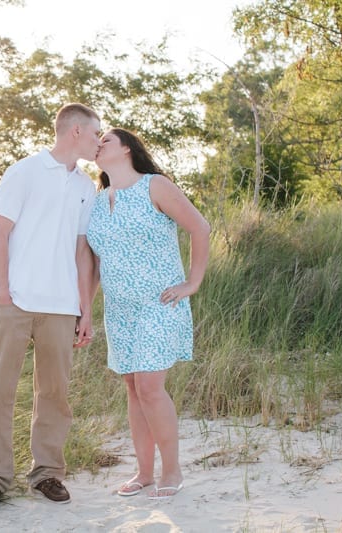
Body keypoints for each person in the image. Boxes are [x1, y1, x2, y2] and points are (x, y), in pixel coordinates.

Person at [0, 103, 101, 514]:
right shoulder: (24, 171)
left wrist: (86, 310)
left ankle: (47, 473)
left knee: (55, 394)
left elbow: (83, 252)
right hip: (16, 303)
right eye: (97, 133)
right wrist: (3, 293)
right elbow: (0, 233)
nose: (100, 141)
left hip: (62, 307)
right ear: (76, 131)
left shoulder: (86, 187)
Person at [86, 127, 210, 500]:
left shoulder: (155, 186)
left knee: (150, 388)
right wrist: (86, 311)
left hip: (159, 303)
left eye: (105, 139)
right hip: (119, 309)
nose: (98, 144)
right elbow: (94, 262)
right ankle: (143, 473)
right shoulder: (96, 201)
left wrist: (192, 283)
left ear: (126, 148)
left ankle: (172, 470)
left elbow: (200, 228)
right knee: (132, 388)